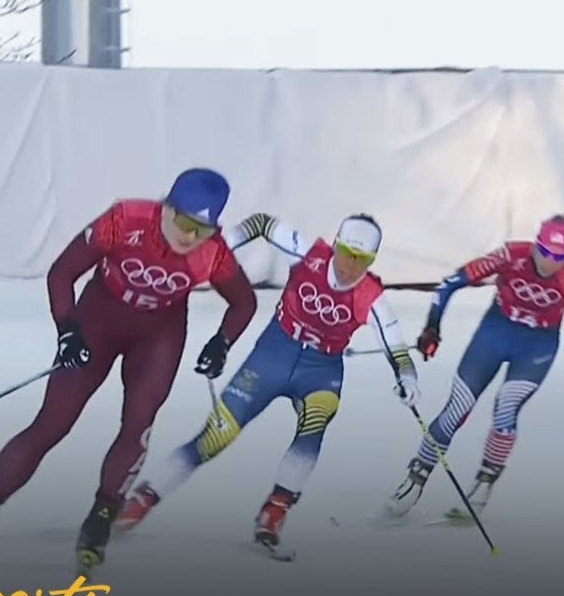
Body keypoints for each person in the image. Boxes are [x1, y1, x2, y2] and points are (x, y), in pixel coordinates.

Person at [0, 167, 258, 573]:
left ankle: (103, 515)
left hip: (158, 335)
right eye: (184, 222)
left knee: (138, 421)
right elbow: (62, 273)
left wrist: (222, 342)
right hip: (98, 321)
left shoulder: (214, 253)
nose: (190, 237)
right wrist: (67, 331)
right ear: (166, 207)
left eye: (203, 230)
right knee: (52, 423)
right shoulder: (125, 220)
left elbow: (244, 303)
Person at [113, 212, 421, 554]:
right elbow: (261, 223)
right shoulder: (308, 255)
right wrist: (217, 251)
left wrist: (406, 377)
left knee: (314, 425)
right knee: (217, 434)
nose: (350, 265)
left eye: (361, 259)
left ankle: (276, 508)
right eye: (346, 252)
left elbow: (395, 344)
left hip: (321, 370)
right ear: (335, 245)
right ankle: (145, 497)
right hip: (273, 354)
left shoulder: (371, 295)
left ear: (372, 260)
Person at [383, 214, 564, 521]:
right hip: (495, 334)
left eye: (559, 256)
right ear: (536, 245)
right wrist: (432, 328)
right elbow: (450, 283)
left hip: (537, 346)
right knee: (458, 407)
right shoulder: (512, 255)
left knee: (505, 408)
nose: (550, 262)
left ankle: (483, 486)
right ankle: (415, 479)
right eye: (546, 252)